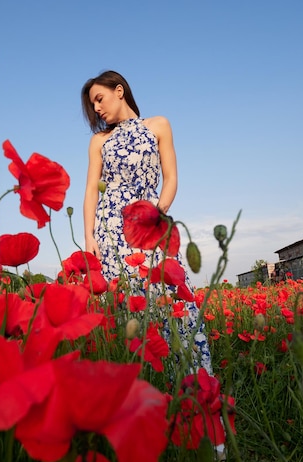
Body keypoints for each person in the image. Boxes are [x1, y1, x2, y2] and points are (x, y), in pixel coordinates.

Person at [81, 70, 212, 374]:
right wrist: (89, 237)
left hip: (151, 223)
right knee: (127, 309)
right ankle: (145, 392)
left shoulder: (158, 125)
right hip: (111, 228)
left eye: (99, 99)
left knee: (171, 299)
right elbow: (90, 190)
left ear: (119, 90)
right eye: (93, 105)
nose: (97, 109)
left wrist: (157, 212)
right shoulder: (99, 140)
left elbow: (172, 177)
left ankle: (189, 387)